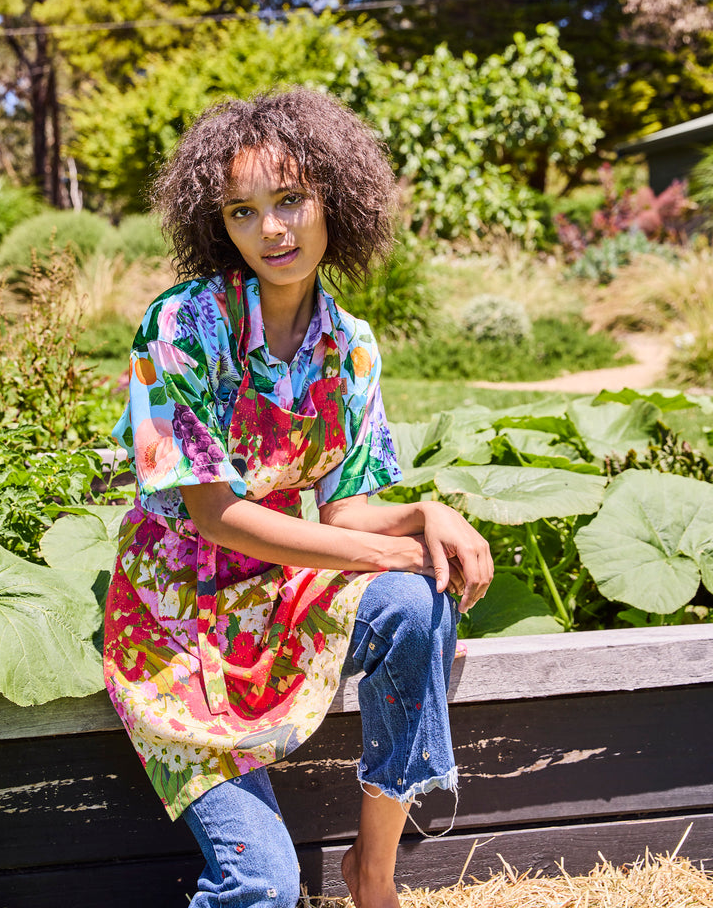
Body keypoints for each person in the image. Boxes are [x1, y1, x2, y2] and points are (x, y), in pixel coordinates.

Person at [103, 87, 493, 908]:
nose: (272, 230)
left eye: (290, 201)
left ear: (335, 201)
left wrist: (424, 517)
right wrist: (384, 549)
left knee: (415, 603)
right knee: (265, 890)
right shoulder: (179, 329)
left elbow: (346, 509)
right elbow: (215, 514)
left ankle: (373, 874)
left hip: (277, 602)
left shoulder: (350, 347)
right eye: (243, 212)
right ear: (218, 224)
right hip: (177, 637)